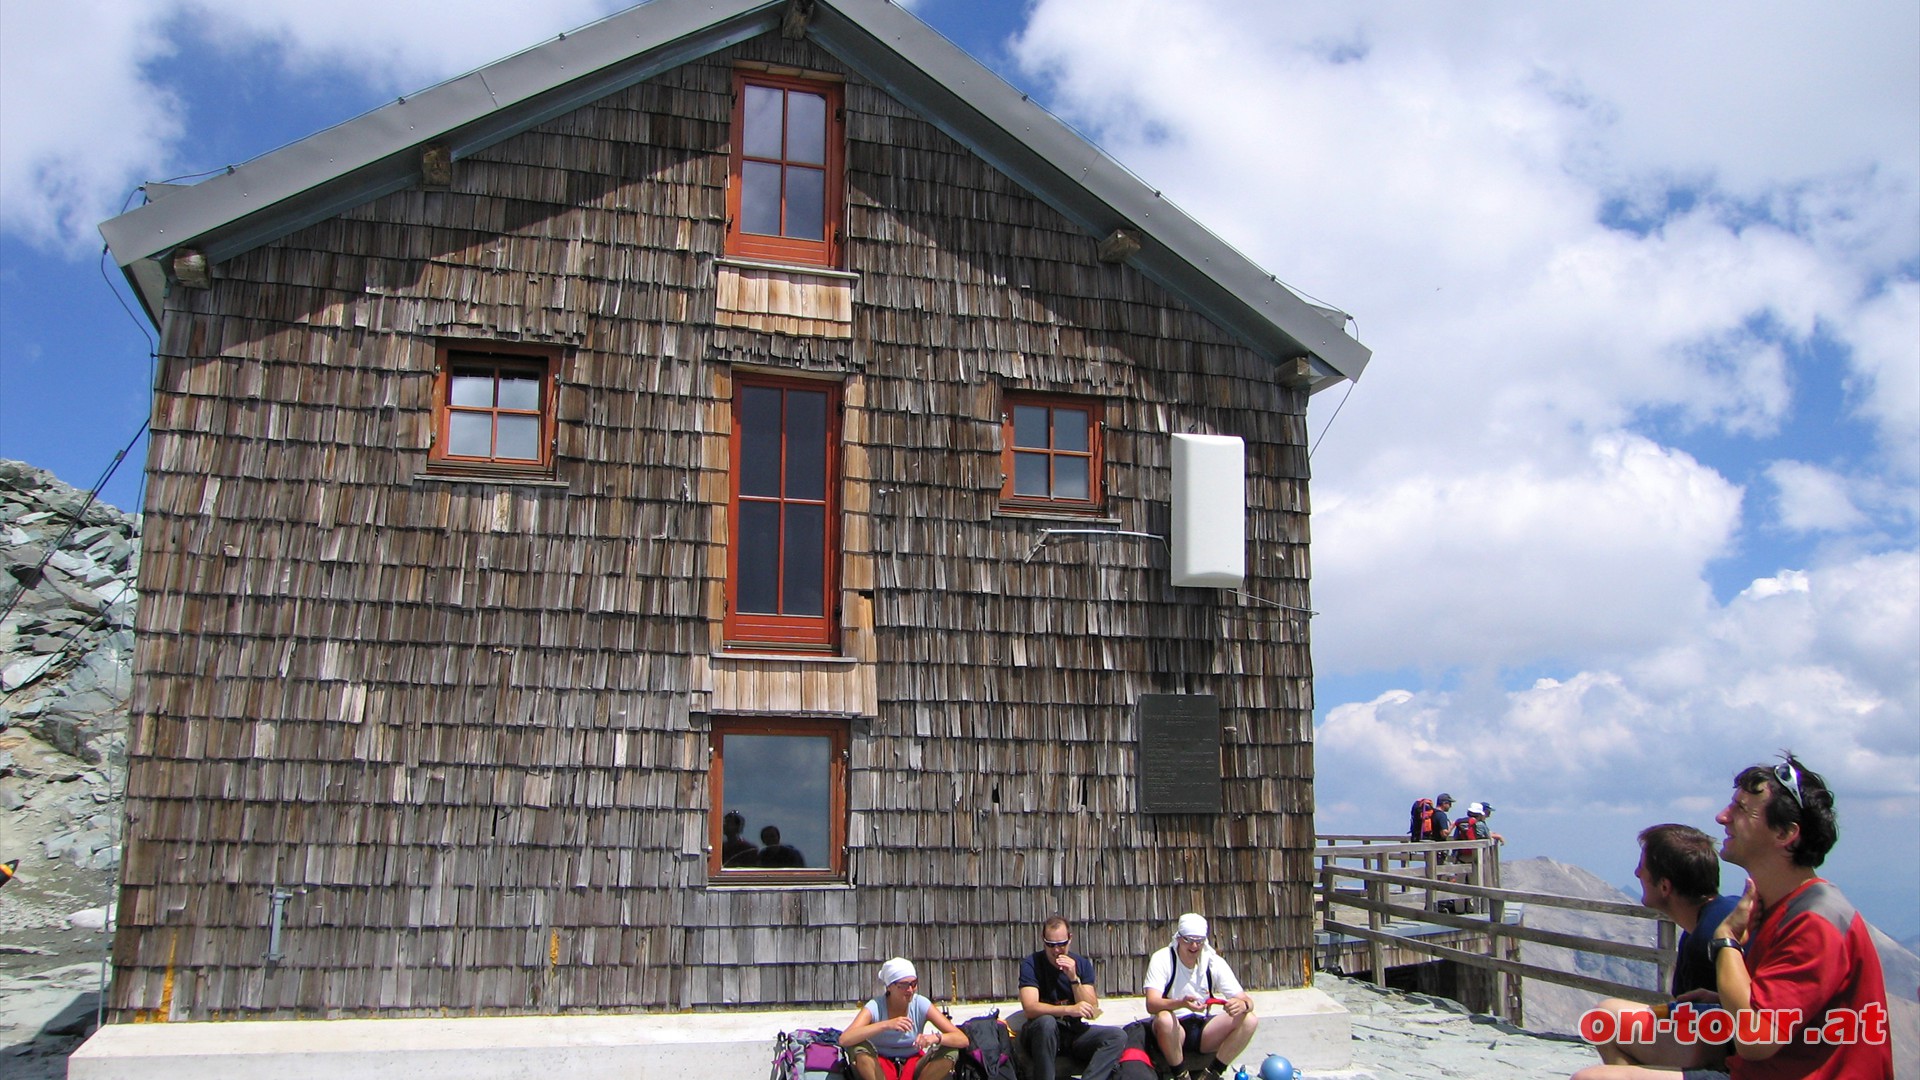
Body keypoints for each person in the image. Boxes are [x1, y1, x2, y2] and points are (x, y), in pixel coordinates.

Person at [1705, 754, 1891, 1079]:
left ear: (1784, 834)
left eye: (1740, 809)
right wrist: (1721, 999)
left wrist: (1725, 941)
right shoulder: (1782, 905)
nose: (1722, 817)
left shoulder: (1815, 921)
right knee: (1620, 1027)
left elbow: (1756, 1037)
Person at [1571, 823, 1740, 1079]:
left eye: (1644, 867)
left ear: (1665, 887)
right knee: (1608, 1016)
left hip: (1734, 1061)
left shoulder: (1705, 940)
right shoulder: (1725, 912)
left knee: (1604, 1025)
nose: (1637, 872)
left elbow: (1702, 1042)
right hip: (1734, 1042)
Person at [1143, 914, 1259, 1080]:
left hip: (1203, 1027)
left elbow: (1246, 1000)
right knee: (1164, 1018)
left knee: (1250, 1019)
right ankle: (1181, 1075)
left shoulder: (1212, 961)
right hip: (1174, 1028)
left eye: (1199, 941)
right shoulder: (1162, 959)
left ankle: (1213, 1073)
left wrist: (1242, 1005)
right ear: (1179, 938)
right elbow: (1151, 1004)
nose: (1194, 946)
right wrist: (1181, 1003)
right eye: (1189, 940)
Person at [1018, 915, 1125, 1080]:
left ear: (1070, 939)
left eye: (1061, 944)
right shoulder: (1032, 964)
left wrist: (1074, 979)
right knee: (1047, 1023)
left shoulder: (1081, 964)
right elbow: (1030, 1008)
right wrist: (1069, 1009)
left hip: (1073, 1032)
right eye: (1050, 945)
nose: (1056, 951)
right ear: (1043, 941)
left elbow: (1092, 1008)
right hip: (1041, 1034)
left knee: (1117, 1036)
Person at [840, 958, 967, 1080]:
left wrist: (935, 1038)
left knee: (950, 1049)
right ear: (889, 987)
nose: (910, 990)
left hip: (914, 1063)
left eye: (914, 984)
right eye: (904, 985)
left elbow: (962, 1039)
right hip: (879, 1065)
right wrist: (885, 1025)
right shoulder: (875, 1006)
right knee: (858, 1047)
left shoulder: (920, 1004)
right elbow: (845, 1038)